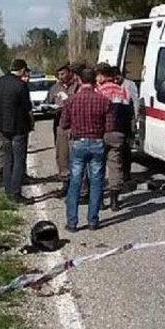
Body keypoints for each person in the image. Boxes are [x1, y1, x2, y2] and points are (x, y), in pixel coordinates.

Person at [60, 68, 113, 231]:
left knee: (75, 182)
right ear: (95, 80)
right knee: (97, 182)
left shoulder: (71, 100)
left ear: (80, 80)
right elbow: (110, 126)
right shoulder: (104, 101)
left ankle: (72, 222)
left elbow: (64, 124)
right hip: (97, 143)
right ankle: (93, 220)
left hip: (79, 143)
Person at [0, 59, 33, 204]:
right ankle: (16, 192)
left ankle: (8, 190)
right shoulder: (21, 85)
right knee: (18, 160)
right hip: (18, 127)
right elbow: (27, 107)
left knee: (8, 159)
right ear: (21, 70)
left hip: (2, 127)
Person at [96, 63, 133, 211]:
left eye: (97, 75)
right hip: (118, 133)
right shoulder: (123, 91)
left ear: (102, 76)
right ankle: (114, 201)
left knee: (98, 166)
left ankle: (99, 201)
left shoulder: (98, 91)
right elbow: (128, 114)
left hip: (101, 133)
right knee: (115, 165)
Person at [48, 64, 81, 189]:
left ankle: (78, 183)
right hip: (60, 124)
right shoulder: (55, 88)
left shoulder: (78, 86)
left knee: (76, 154)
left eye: (63, 74)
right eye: (59, 75)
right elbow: (49, 102)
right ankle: (65, 183)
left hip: (75, 124)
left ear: (69, 73)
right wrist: (50, 108)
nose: (61, 77)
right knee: (62, 155)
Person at [115, 67, 138, 182]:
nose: (115, 81)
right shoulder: (113, 86)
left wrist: (135, 120)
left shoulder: (129, 85)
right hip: (118, 120)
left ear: (120, 75)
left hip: (128, 119)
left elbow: (135, 101)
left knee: (126, 148)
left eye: (117, 78)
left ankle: (126, 173)